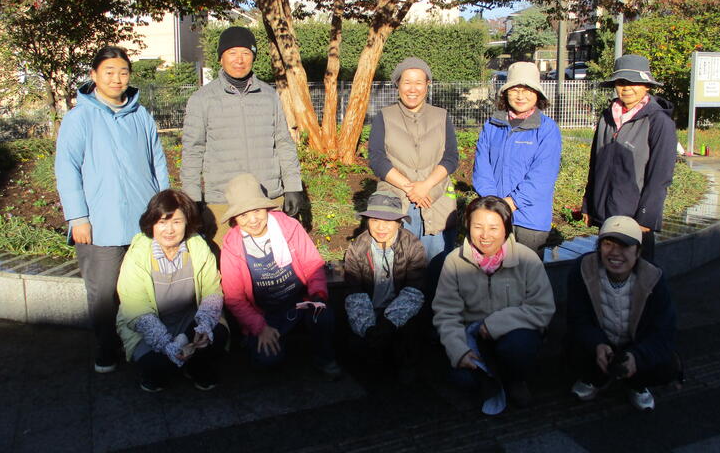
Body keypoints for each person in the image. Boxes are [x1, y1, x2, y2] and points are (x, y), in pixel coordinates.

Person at [55, 46, 170, 373]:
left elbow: (158, 162)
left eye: (123, 72)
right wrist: (78, 217)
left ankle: (149, 345)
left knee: (147, 287)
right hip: (100, 224)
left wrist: (164, 209)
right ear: (94, 75)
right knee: (103, 293)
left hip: (143, 221)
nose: (117, 79)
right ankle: (107, 348)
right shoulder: (79, 118)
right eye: (109, 72)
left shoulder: (140, 115)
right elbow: (67, 169)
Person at [181, 26, 304, 251]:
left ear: (253, 57)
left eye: (246, 53)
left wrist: (293, 187)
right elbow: (192, 151)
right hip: (223, 202)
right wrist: (193, 198)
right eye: (232, 53)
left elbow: (283, 143)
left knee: (275, 262)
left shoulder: (269, 96)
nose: (239, 59)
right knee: (226, 265)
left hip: (267, 197)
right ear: (221, 57)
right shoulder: (202, 100)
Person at [433, 196, 555, 414]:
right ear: (468, 226)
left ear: (506, 228)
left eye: (493, 228)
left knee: (517, 347)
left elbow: (542, 308)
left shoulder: (527, 259)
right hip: (472, 335)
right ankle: (488, 380)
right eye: (478, 227)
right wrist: (459, 350)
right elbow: (446, 313)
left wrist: (495, 324)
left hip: (514, 333)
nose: (485, 235)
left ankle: (515, 381)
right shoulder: (454, 261)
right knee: (462, 378)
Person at [219, 173, 342, 380]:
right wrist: (259, 327)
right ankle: (264, 343)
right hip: (264, 313)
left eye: (257, 211)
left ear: (266, 208)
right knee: (266, 361)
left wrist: (318, 294)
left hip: (299, 302)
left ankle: (324, 358)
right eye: (243, 215)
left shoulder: (289, 227)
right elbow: (235, 298)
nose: (253, 220)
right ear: (235, 219)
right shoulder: (232, 245)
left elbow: (312, 264)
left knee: (323, 316)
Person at [116, 189, 229, 392]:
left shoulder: (198, 247)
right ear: (152, 223)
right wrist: (167, 344)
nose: (169, 230)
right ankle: (163, 368)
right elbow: (137, 309)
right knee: (156, 366)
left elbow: (212, 291)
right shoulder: (137, 255)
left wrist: (203, 325)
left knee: (217, 334)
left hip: (188, 321)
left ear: (187, 222)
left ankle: (195, 367)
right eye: (162, 222)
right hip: (149, 327)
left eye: (177, 222)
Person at [566, 215, 681, 411]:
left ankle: (636, 383)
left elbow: (664, 331)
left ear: (638, 251)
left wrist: (637, 356)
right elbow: (577, 318)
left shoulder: (653, 278)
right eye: (608, 244)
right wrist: (597, 343)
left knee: (666, 365)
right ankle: (597, 378)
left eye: (625, 246)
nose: (615, 253)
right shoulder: (583, 269)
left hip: (635, 344)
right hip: (602, 340)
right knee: (572, 350)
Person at [582, 54, 677, 263]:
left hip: (635, 218)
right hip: (605, 215)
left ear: (647, 86)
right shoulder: (607, 117)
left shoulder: (659, 121)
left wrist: (646, 216)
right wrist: (589, 204)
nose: (627, 88)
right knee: (606, 270)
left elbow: (660, 175)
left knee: (638, 275)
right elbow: (595, 164)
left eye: (634, 83)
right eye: (621, 82)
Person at [368, 57, 459, 263]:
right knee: (399, 264)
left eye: (419, 82)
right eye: (407, 82)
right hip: (397, 199)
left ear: (427, 85)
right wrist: (410, 188)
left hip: (436, 199)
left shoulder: (441, 116)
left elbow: (451, 157)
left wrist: (425, 186)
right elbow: (377, 158)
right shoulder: (385, 116)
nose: (412, 89)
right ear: (398, 85)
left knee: (436, 264)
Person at [472, 61, 561, 257]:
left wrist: (512, 203)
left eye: (527, 89)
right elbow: (482, 168)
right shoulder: (492, 126)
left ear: (537, 93)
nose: (521, 96)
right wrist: (495, 204)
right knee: (491, 270)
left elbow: (542, 176)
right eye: (515, 89)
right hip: (494, 216)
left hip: (530, 220)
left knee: (526, 273)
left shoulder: (547, 130)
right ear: (506, 93)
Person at [343, 191, 427, 383]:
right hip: (370, 310)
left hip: (399, 311)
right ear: (367, 221)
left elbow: (415, 291)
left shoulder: (413, 247)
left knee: (408, 333)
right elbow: (354, 292)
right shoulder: (357, 248)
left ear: (399, 223)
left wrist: (389, 323)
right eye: (375, 220)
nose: (381, 227)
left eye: (388, 221)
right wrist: (368, 327)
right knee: (359, 347)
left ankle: (407, 363)